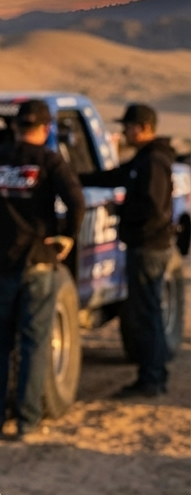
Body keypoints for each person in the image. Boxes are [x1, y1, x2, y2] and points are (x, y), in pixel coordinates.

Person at [0, 99, 85, 440]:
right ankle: (27, 422)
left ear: (16, 127)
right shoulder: (50, 161)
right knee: (34, 343)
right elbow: (77, 201)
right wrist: (68, 237)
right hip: (39, 262)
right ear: (46, 129)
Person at [81, 103, 176, 396]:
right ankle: (153, 376)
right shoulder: (145, 160)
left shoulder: (154, 162)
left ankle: (152, 380)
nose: (124, 132)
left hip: (148, 248)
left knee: (146, 314)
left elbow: (154, 208)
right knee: (147, 312)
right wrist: (76, 177)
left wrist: (125, 215)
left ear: (143, 127)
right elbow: (116, 177)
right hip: (147, 246)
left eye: (128, 127)